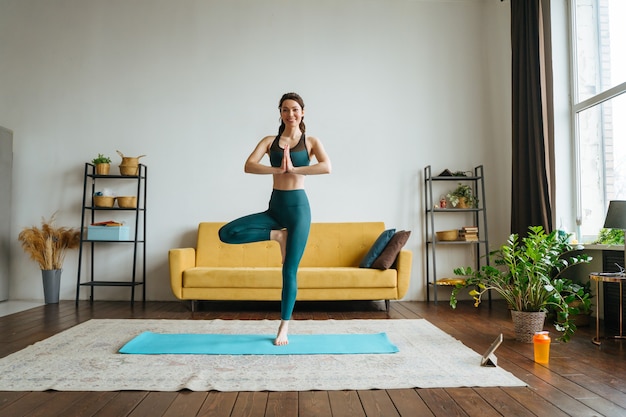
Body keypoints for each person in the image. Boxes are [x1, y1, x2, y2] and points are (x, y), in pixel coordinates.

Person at [218, 92, 332, 345]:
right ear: (279, 113)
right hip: (275, 207)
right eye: (284, 110)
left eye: (294, 109)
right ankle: (277, 235)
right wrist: (276, 170)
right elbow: (249, 165)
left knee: (289, 271)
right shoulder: (270, 141)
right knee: (226, 233)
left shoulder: (311, 141)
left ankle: (284, 327)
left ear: (303, 112)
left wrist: (295, 170)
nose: (290, 114)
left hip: (299, 209)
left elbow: (326, 166)